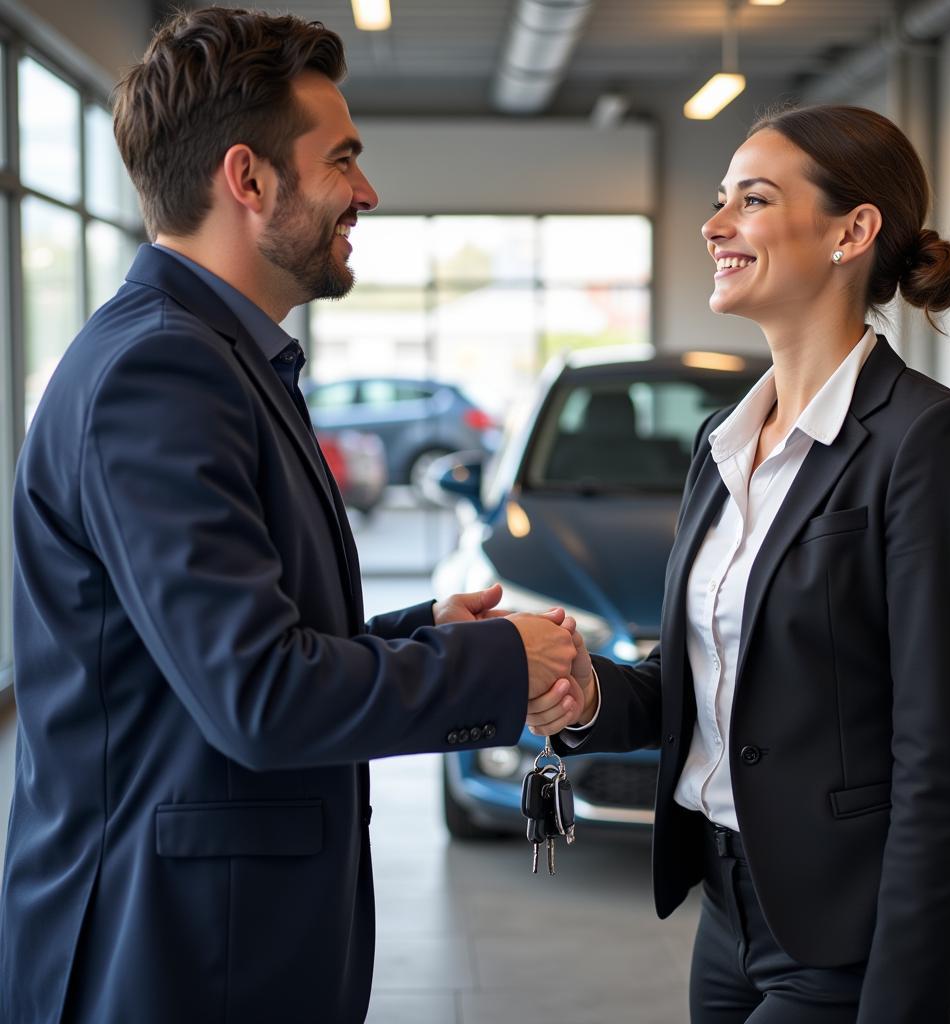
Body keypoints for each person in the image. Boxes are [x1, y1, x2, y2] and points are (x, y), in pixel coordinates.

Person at [0, 8, 585, 1023]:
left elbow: (236, 651)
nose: (366, 192)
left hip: (206, 934)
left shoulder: (218, 357)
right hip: (167, 955)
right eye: (343, 161)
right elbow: (260, 695)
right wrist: (500, 666)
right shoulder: (162, 371)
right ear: (250, 180)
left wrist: (423, 634)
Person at [531, 104, 950, 1023]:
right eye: (720, 201)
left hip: (868, 934)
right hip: (731, 914)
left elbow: (941, 759)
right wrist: (583, 692)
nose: (715, 226)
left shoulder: (928, 441)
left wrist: (903, 997)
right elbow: (707, 681)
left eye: (751, 200)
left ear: (852, 230)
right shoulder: (725, 441)